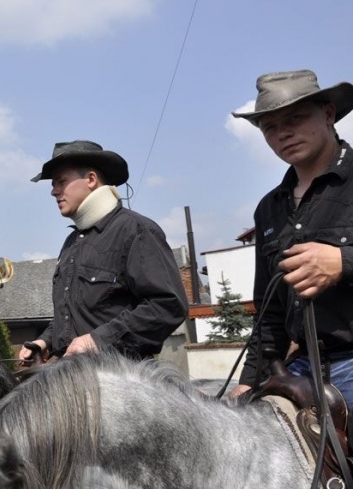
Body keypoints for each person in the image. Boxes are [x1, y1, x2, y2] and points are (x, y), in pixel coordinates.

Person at [230, 70, 353, 407]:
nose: (283, 133)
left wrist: (343, 263)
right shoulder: (268, 209)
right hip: (299, 371)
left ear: (328, 114)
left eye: (295, 119)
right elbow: (268, 313)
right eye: (270, 127)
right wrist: (248, 382)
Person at [18, 140, 188, 364]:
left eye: (60, 182)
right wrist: (45, 341)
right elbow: (76, 314)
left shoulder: (136, 230)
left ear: (91, 180)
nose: (53, 191)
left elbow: (168, 305)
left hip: (123, 379)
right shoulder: (72, 242)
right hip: (75, 379)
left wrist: (98, 340)